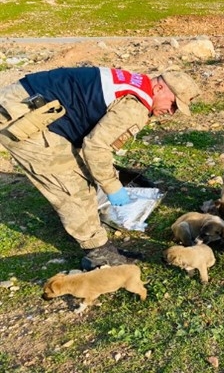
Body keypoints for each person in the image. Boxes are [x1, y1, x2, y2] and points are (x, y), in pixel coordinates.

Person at [0, 67, 201, 269]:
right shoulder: (135, 106)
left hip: (30, 103)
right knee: (73, 186)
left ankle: (82, 225)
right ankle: (97, 253)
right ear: (158, 88)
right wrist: (112, 187)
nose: (172, 112)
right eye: (173, 103)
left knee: (83, 171)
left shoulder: (136, 84)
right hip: (24, 117)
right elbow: (96, 147)